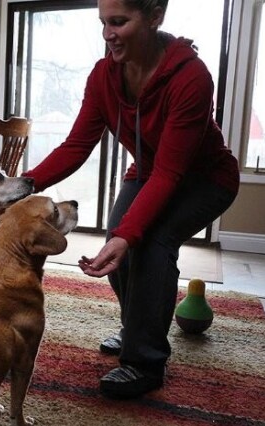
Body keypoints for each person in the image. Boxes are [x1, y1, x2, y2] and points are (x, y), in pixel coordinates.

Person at [22, 0, 239, 399]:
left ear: (155, 16)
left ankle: (145, 362)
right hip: (149, 171)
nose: (107, 34)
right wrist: (26, 184)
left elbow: (171, 173)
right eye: (103, 22)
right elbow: (76, 146)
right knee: (118, 237)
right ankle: (136, 327)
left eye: (119, 22)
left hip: (206, 179)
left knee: (149, 242)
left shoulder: (190, 77)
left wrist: (130, 235)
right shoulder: (104, 75)